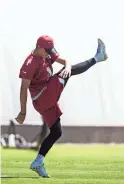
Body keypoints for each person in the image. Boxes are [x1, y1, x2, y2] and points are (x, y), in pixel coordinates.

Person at [15, 35, 108, 178]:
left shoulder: (46, 53)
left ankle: (38, 162)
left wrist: (68, 65)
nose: (49, 53)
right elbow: (23, 89)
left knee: (56, 132)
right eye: (47, 50)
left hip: (47, 99)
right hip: (42, 97)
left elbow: (65, 60)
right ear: (39, 47)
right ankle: (97, 58)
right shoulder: (30, 63)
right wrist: (23, 112)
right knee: (65, 74)